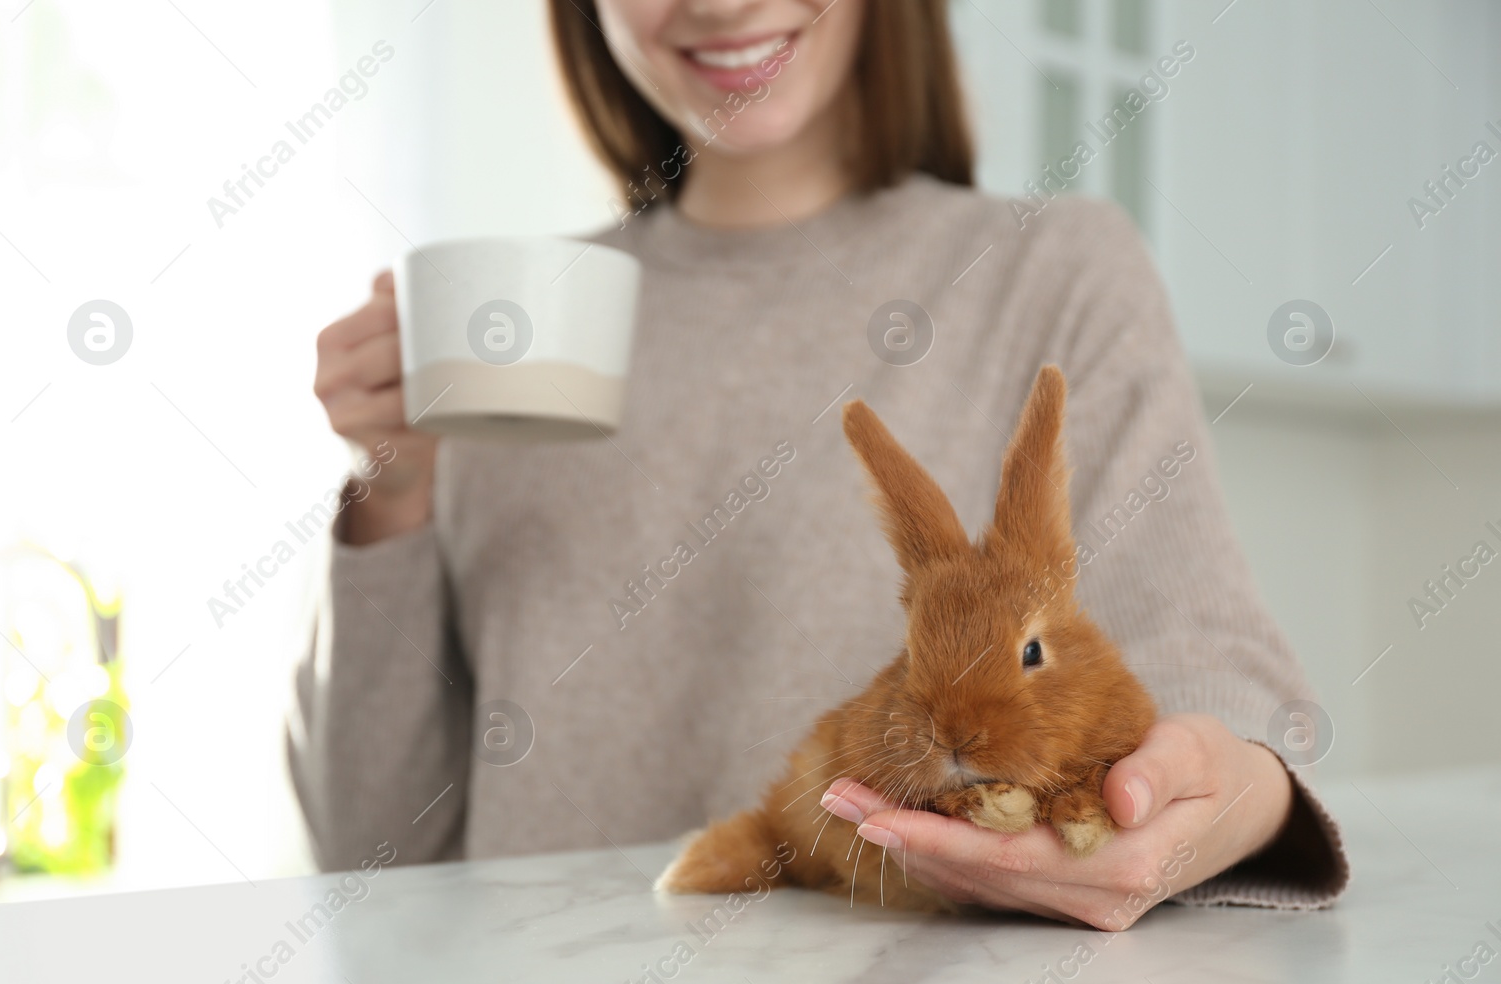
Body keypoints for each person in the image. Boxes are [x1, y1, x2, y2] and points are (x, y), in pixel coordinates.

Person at [290, 0, 1347, 929]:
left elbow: (1228, 699)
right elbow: (371, 849)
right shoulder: (508, 329)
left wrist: (1208, 805)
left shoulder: (1049, 268)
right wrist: (391, 489)